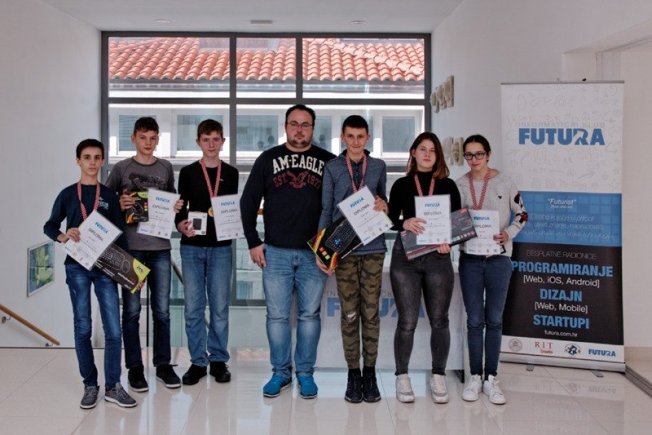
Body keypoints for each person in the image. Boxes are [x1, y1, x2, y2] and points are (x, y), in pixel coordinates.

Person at [240, 104, 335, 399]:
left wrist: (331, 250)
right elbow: (248, 202)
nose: (299, 130)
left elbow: (341, 206)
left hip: (313, 253)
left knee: (309, 316)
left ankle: (305, 373)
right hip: (276, 252)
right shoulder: (268, 159)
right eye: (294, 124)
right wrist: (253, 241)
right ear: (285, 127)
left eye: (305, 124)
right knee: (277, 317)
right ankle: (280, 373)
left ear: (313, 128)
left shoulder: (329, 161)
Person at [44, 139, 137, 409]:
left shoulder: (108, 195)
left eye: (97, 157)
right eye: (87, 157)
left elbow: (120, 235)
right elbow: (49, 225)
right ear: (78, 161)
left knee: (113, 330)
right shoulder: (67, 194)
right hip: (77, 267)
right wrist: (63, 235)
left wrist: (133, 273)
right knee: (83, 327)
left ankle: (113, 386)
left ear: (103, 161)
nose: (92, 162)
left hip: (105, 267)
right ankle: (90, 385)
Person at [106, 117, 184, 392]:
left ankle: (163, 365)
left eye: (152, 138)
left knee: (162, 311)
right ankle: (135, 368)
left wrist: (176, 206)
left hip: (160, 248)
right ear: (133, 139)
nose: (148, 143)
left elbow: (172, 200)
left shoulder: (166, 167)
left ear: (158, 139)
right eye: (143, 137)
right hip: (131, 249)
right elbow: (105, 204)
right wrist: (119, 202)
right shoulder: (121, 168)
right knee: (131, 311)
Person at [316, 115, 388, 403]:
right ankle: (353, 374)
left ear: (367, 138)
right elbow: (326, 210)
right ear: (343, 138)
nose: (356, 142)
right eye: (350, 136)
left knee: (370, 314)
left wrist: (384, 204)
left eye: (360, 136)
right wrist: (322, 251)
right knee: (349, 315)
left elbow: (384, 202)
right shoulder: (333, 168)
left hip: (373, 247)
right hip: (343, 249)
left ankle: (370, 373)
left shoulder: (379, 166)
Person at [388, 132, 461, 404]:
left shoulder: (448, 185)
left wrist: (448, 241)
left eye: (432, 150)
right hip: (406, 257)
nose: (427, 154)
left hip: (437, 258)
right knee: (407, 321)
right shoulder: (401, 184)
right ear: (413, 152)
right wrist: (404, 223)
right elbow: (390, 219)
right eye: (422, 149)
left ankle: (438, 374)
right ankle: (402, 376)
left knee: (439, 320)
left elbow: (457, 222)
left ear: (438, 155)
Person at [456, 134, 527, 405]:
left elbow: (522, 214)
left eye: (479, 154)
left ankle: (491, 378)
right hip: (471, 260)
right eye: (469, 155)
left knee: (494, 320)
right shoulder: (460, 185)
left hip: (499, 259)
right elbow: (454, 219)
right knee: (474, 320)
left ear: (488, 154)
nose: (474, 159)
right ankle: (475, 376)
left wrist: (508, 233)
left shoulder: (505, 182)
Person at [175, 119, 239, 385]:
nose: (211, 144)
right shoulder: (188, 172)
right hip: (192, 247)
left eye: (216, 139)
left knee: (220, 308)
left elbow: (231, 208)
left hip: (221, 247)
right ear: (198, 142)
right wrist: (180, 224)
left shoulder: (232, 173)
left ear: (223, 142)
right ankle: (198, 362)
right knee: (193, 308)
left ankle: (219, 360)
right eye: (206, 140)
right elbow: (180, 207)